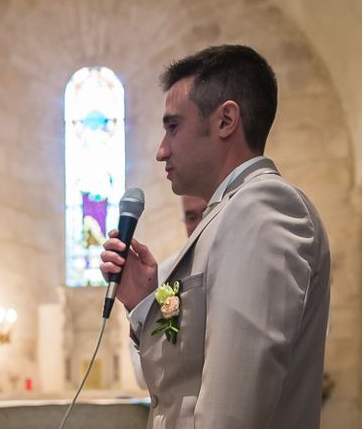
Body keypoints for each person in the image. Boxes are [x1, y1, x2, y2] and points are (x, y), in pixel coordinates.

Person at [100, 45, 330, 428]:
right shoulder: (229, 214)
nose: (161, 150)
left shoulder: (262, 206)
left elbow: (233, 408)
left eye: (173, 127)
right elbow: (186, 383)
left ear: (226, 121)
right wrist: (144, 304)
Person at [129, 196, 206, 390]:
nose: (200, 225)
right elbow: (142, 375)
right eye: (191, 217)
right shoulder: (165, 276)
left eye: (207, 214)